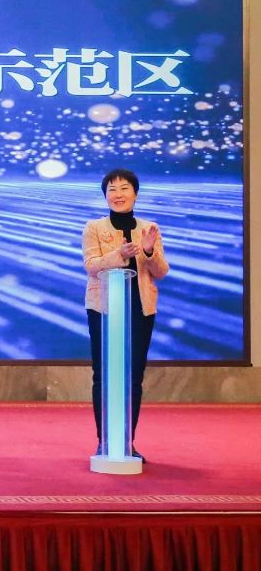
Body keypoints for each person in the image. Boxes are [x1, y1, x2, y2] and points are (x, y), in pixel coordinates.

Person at [82, 168, 169, 461]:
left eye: (124, 188)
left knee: (133, 376)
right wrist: (119, 254)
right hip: (104, 308)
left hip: (140, 308)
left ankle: (127, 441)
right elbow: (91, 266)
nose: (118, 194)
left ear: (135, 193)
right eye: (112, 189)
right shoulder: (94, 227)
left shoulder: (149, 228)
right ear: (105, 195)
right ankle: (105, 440)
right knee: (104, 374)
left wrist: (148, 252)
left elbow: (161, 271)